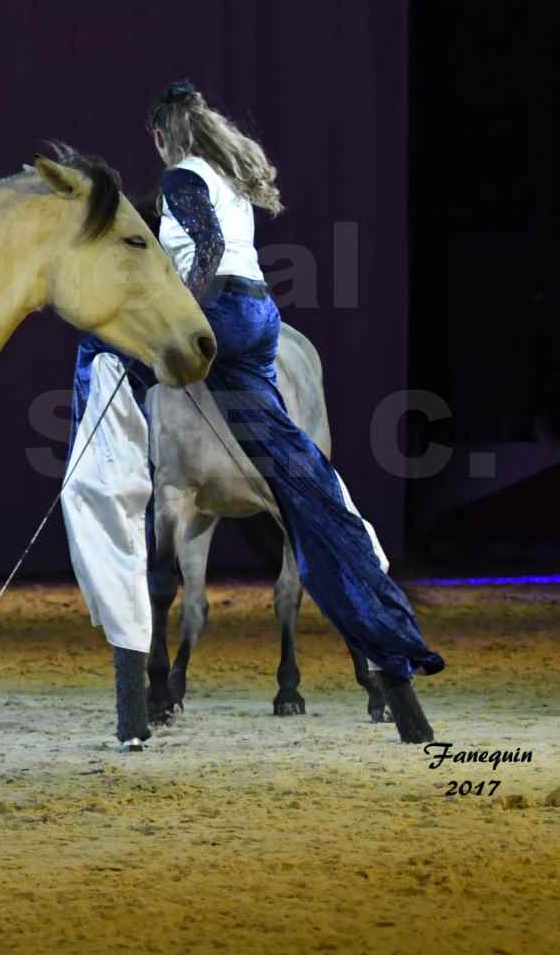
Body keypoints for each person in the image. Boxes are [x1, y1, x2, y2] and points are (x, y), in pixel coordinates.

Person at [62, 81, 443, 748]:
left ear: (160, 135)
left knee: (96, 346)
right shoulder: (227, 175)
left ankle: (88, 467)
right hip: (261, 319)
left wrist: (181, 304)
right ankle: (396, 679)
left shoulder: (181, 174)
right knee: (308, 490)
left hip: (217, 314)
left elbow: (201, 247)